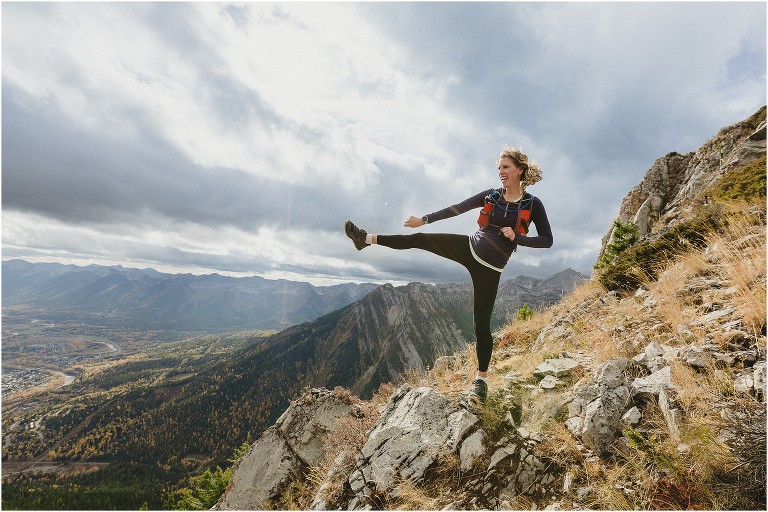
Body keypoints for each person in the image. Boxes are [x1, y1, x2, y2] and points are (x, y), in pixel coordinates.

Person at [345, 146, 553, 405]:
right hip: (470, 247)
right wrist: (425, 219)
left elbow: (547, 240)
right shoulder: (492, 195)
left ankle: (481, 380)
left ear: (519, 170)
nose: (500, 172)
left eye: (505, 167)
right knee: (420, 239)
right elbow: (458, 208)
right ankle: (365, 239)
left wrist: (517, 237)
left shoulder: (533, 204)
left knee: (482, 326)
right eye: (498, 167)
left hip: (491, 268)